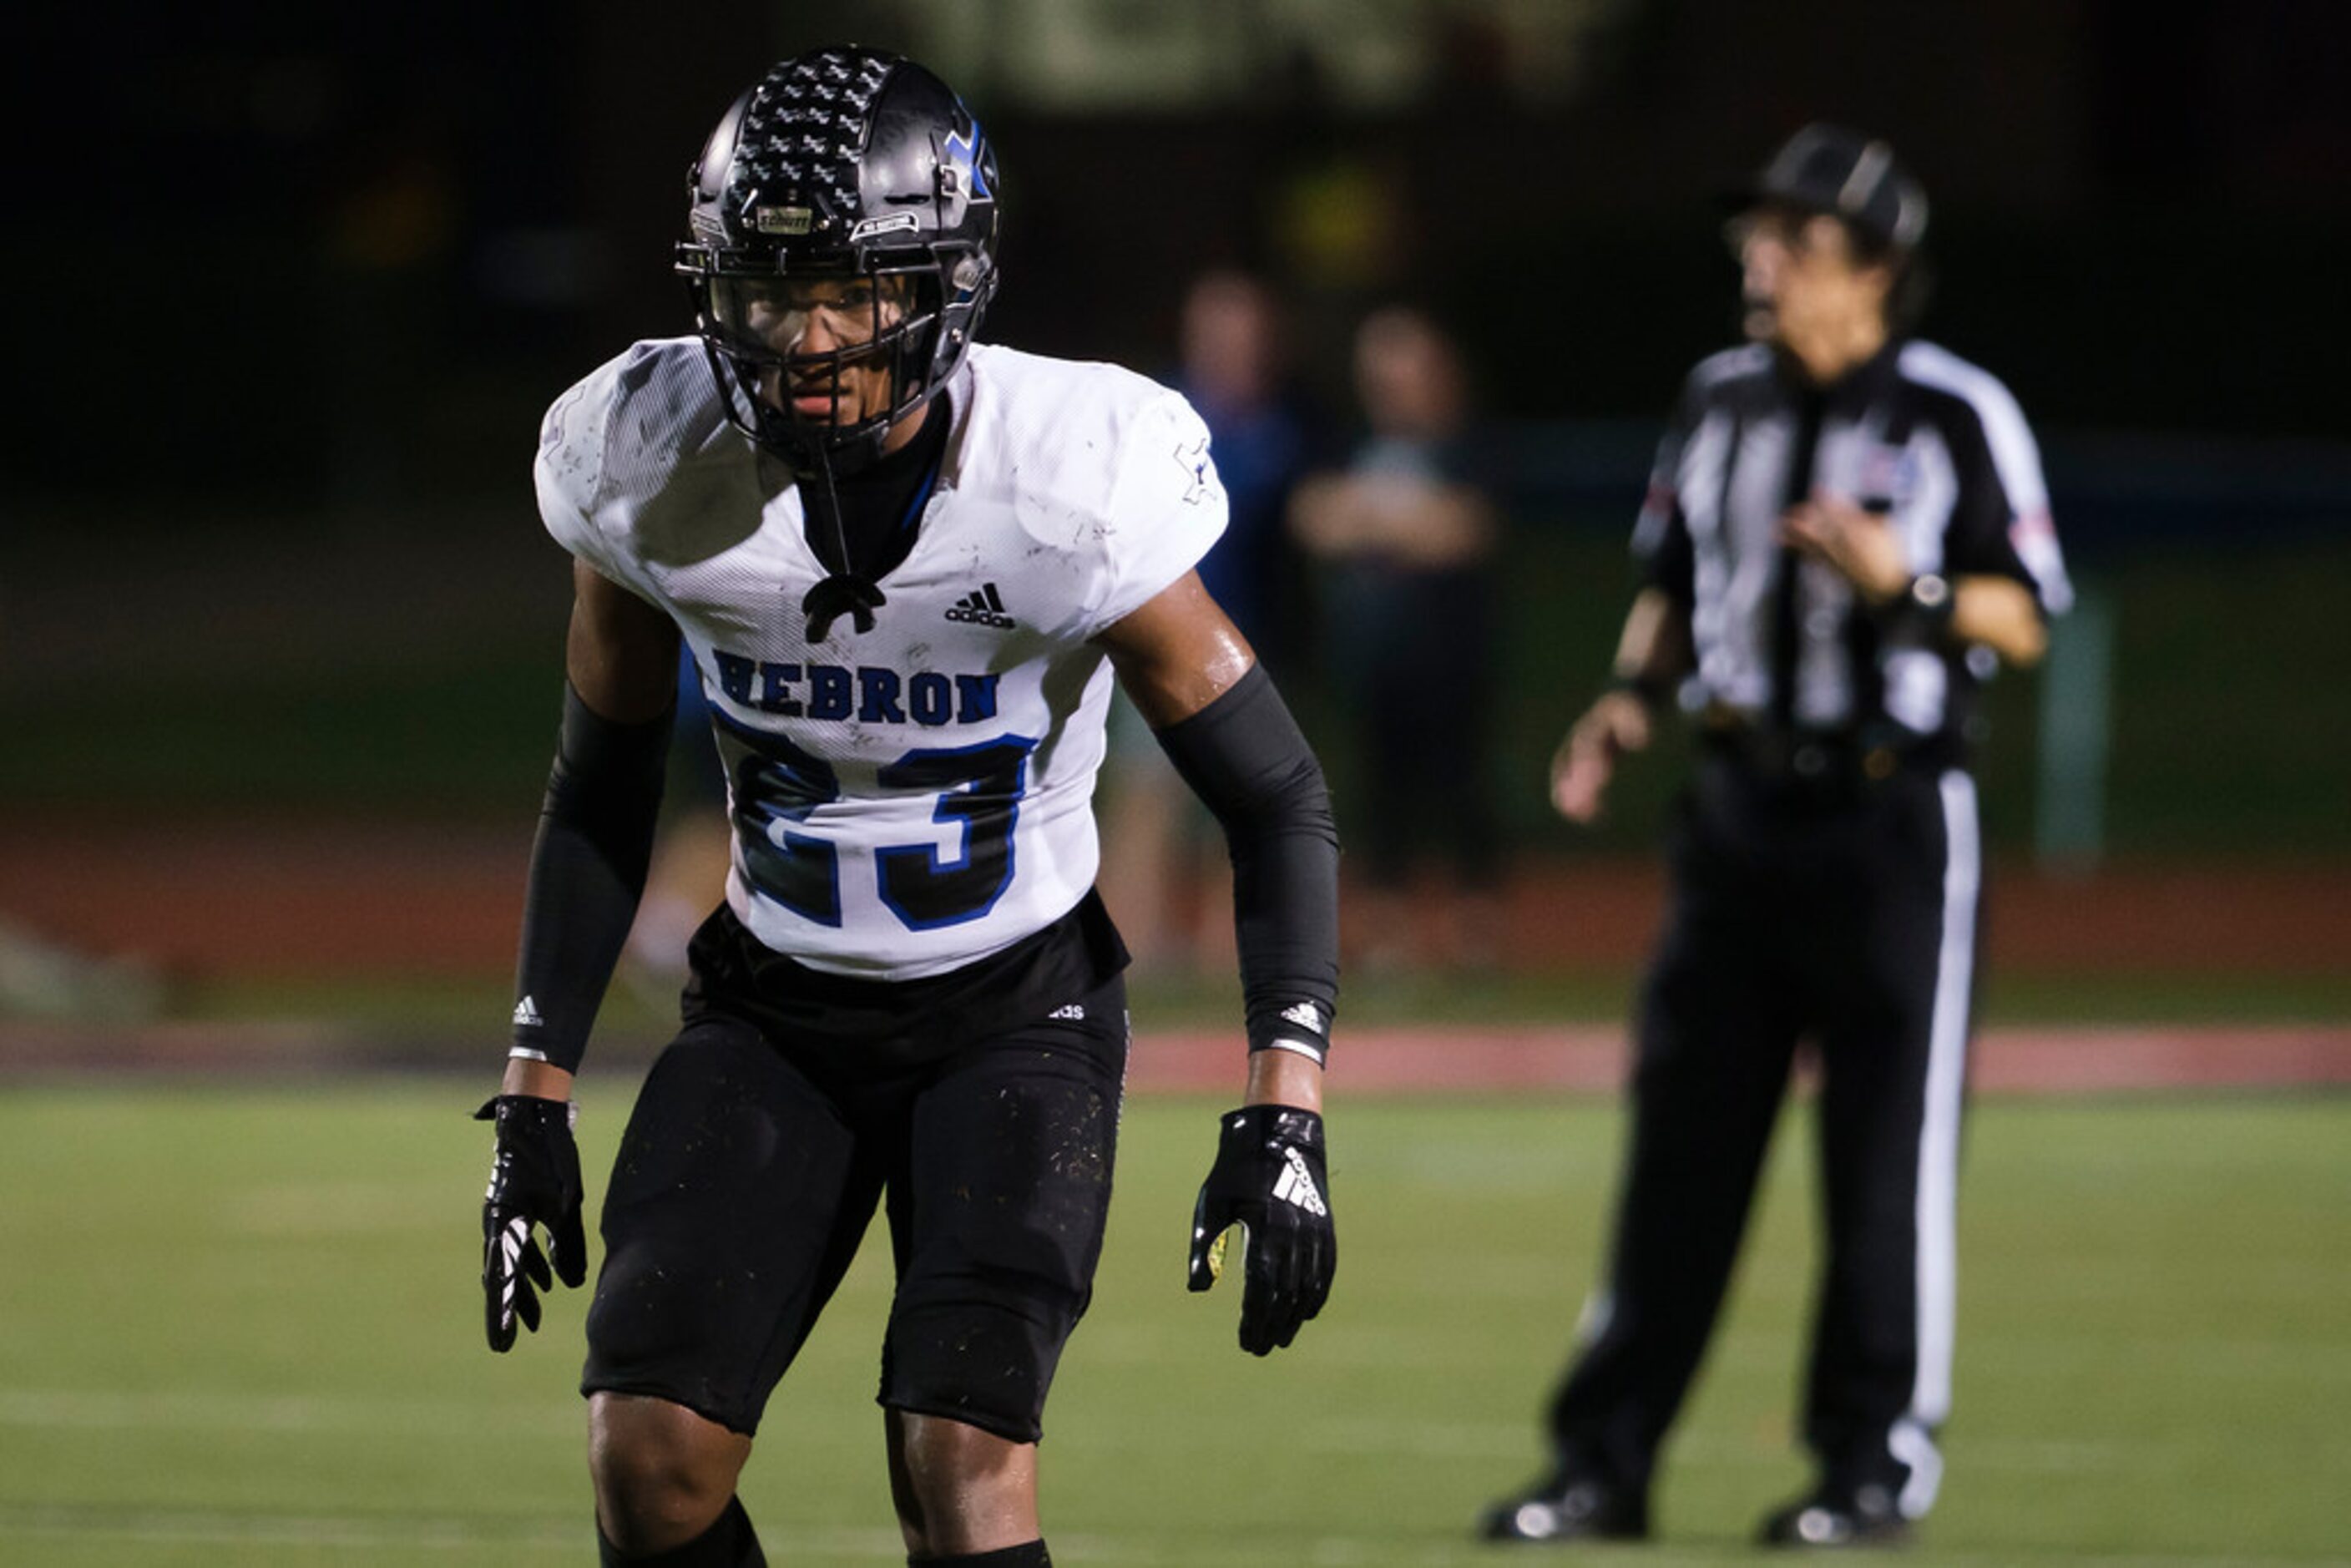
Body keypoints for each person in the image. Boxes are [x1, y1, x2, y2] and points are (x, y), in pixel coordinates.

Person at [474, 48, 1340, 1568]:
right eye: (771, 286)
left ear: (948, 278)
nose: (811, 336)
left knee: (959, 1463)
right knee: (647, 1457)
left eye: (860, 290)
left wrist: (1287, 1101)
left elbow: (1272, 794)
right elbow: (599, 780)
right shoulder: (643, 456)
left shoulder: (1069, 479)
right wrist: (536, 1083)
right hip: (772, 1001)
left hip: (1016, 1007)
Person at [1480, 124, 2071, 1550]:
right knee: (1679, 1151)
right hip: (1736, 810)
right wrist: (1627, 700)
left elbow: (2026, 612)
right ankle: (1602, 1462)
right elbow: (1673, 579)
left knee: (1883, 1158)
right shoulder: (1718, 400)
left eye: (1796, 241)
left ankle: (1870, 1466)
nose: (1762, 261)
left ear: (1877, 269)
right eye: (1758, 236)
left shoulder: (1953, 413)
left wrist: (1905, 582)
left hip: (1891, 815)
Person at [1098, 270, 1319, 969]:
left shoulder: (1289, 428)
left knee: (1251, 805)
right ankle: (1129, 958)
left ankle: (1234, 968)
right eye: (1213, 329)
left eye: (1239, 330)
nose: (1224, 344)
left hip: (1256, 643)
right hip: (1155, 634)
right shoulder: (1156, 412)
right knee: (1145, 801)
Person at [1288, 306, 1504, 970]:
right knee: (1377, 800)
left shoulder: (1469, 445)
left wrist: (1370, 519)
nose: (1389, 385)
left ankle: (1476, 936)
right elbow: (1311, 519)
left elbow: (1466, 530)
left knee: (1464, 793)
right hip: (1372, 659)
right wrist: (1409, 524)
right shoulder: (1347, 443)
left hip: (1451, 656)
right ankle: (1388, 938)